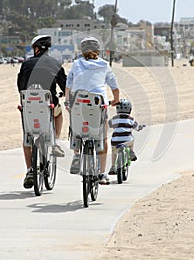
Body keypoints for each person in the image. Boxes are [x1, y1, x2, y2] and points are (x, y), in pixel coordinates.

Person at [65, 36, 120, 185]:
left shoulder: (76, 64)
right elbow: (114, 86)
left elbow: (68, 84)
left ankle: (76, 155)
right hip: (98, 105)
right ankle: (102, 173)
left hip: (79, 102)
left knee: (76, 128)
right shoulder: (104, 64)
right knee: (102, 138)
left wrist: (67, 101)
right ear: (97, 50)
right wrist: (115, 100)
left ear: (82, 51)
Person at [17, 35, 67, 189]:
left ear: (36, 49)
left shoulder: (26, 64)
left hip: (29, 107)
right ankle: (56, 140)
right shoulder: (55, 63)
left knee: (27, 136)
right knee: (59, 114)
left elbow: (20, 86)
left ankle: (30, 170)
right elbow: (64, 86)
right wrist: (62, 94)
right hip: (48, 106)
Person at [108, 98, 145, 175]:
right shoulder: (131, 119)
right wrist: (141, 127)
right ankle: (130, 152)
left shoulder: (114, 119)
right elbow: (137, 127)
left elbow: (109, 124)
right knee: (132, 140)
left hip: (115, 142)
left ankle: (113, 166)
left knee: (114, 152)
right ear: (129, 109)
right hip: (127, 141)